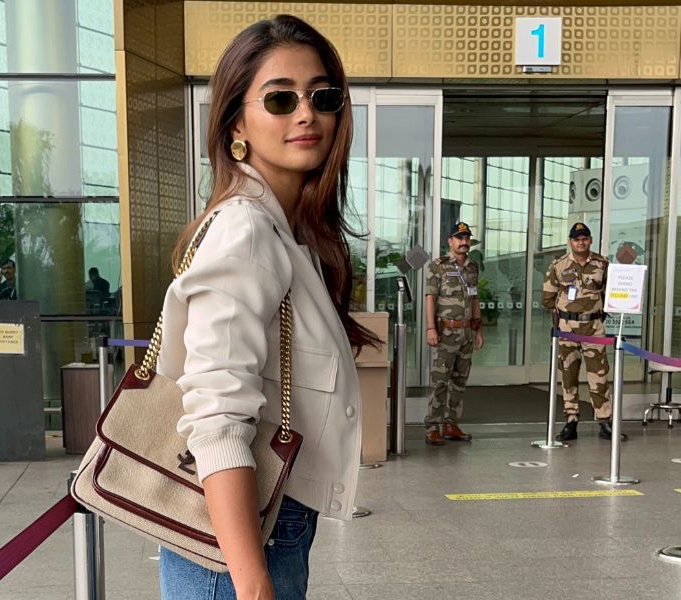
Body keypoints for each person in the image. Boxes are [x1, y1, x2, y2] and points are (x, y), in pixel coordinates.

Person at [156, 15, 378, 600]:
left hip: (267, 528)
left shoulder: (290, 233)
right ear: (237, 122)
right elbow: (216, 416)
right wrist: (253, 586)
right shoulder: (247, 230)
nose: (306, 114)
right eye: (281, 99)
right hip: (238, 547)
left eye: (322, 97)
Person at [542, 222, 626, 442]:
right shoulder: (559, 265)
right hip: (567, 330)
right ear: (571, 242)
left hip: (593, 329)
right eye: (577, 239)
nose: (581, 242)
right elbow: (547, 298)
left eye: (584, 238)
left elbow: (611, 294)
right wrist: (563, 315)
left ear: (590, 240)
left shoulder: (602, 264)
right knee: (568, 375)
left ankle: (604, 421)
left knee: (599, 375)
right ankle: (571, 421)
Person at [424, 222, 484, 445]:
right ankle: (432, 426)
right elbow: (430, 299)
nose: (464, 242)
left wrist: (478, 330)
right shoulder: (437, 266)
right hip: (446, 332)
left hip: (467, 333)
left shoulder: (472, 268)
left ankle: (451, 424)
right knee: (440, 381)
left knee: (460, 381)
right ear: (450, 241)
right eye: (459, 238)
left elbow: (475, 299)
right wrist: (431, 328)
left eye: (466, 238)